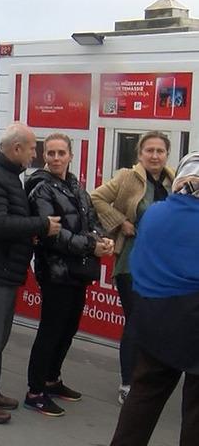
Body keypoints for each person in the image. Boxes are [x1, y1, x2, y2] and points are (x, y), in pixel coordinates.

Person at [0, 122, 61, 424]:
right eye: (33, 148)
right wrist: (41, 226)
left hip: (1, 269)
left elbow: (4, 220)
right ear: (16, 148)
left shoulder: (4, 175)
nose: (36, 154)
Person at [109, 152, 199, 446]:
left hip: (153, 319)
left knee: (143, 397)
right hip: (193, 320)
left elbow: (139, 263)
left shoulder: (156, 213)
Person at [24, 133, 113, 416]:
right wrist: (91, 245)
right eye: (51, 153)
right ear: (44, 156)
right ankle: (35, 391)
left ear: (71, 156)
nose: (56, 158)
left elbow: (91, 220)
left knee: (69, 328)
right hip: (55, 271)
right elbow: (52, 234)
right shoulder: (41, 188)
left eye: (61, 153)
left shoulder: (76, 186)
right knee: (51, 331)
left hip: (77, 270)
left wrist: (103, 238)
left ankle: (52, 378)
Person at [90, 131, 175, 405]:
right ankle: (128, 382)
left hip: (164, 267)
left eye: (160, 151)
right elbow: (96, 198)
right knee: (136, 321)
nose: (154, 156)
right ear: (140, 154)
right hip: (132, 262)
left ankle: (150, 379)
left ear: (166, 154)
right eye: (149, 150)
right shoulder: (127, 177)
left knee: (158, 323)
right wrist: (121, 221)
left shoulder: (174, 180)